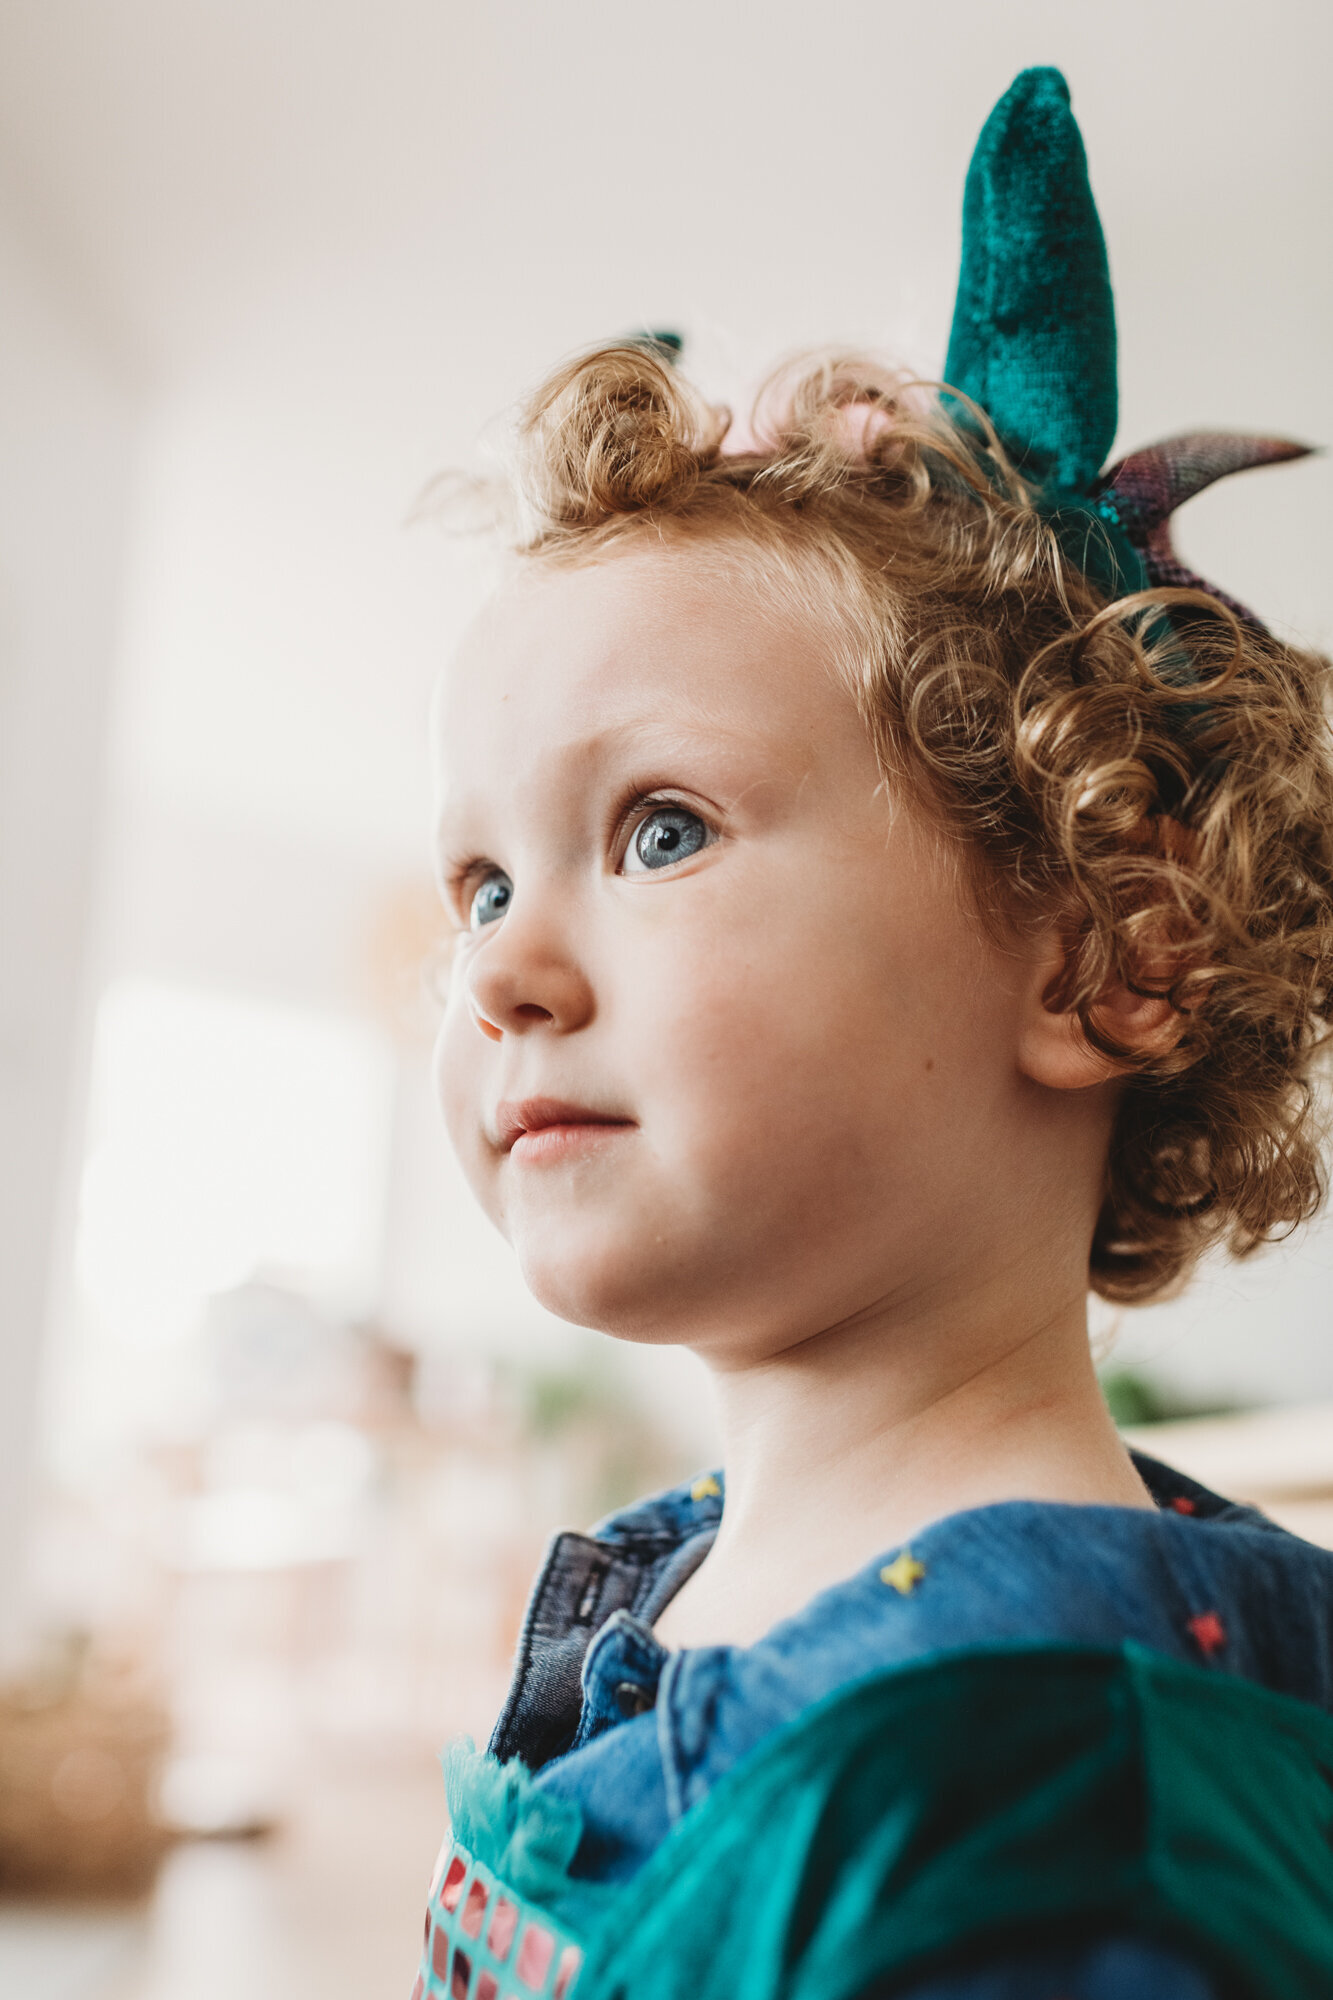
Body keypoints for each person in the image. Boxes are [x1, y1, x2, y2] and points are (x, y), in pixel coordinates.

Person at [413, 69, 1333, 2000]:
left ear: (1107, 953)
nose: (498, 969)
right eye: (479, 884)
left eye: (657, 829)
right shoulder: (668, 1587)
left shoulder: (1056, 1827)